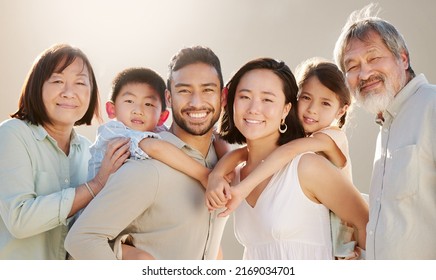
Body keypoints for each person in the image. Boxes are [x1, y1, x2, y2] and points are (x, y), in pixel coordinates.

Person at [64, 45, 228, 260]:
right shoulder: (147, 168)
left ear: (223, 96)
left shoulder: (218, 159)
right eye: (184, 90)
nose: (196, 102)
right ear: (169, 98)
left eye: (207, 89)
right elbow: (81, 240)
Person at [207, 58, 364, 259]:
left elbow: (366, 222)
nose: (254, 108)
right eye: (245, 96)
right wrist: (216, 175)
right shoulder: (235, 176)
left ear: (286, 109)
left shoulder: (308, 161)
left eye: (267, 99)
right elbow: (245, 153)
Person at [0, 43, 129, 260]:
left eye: (80, 83)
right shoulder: (13, 134)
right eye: (58, 81)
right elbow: (19, 220)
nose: (69, 93)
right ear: (37, 86)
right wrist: (95, 185)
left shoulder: (90, 152)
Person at [333, 3, 436, 260]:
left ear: (403, 58)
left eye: (373, 57)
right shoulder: (388, 126)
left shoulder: (431, 106)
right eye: (352, 66)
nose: (364, 73)